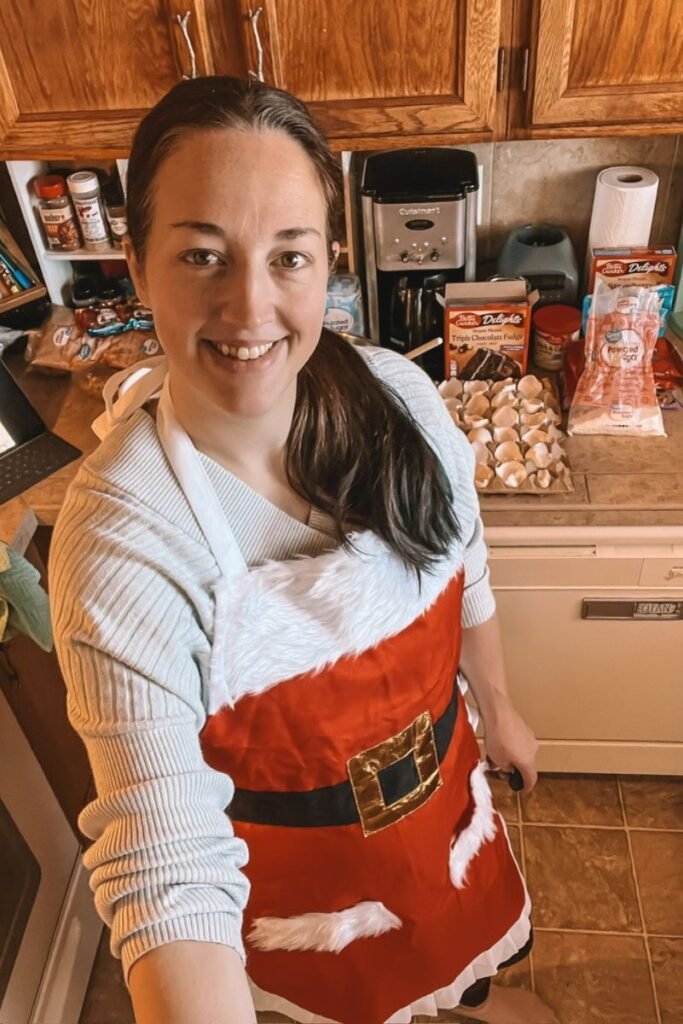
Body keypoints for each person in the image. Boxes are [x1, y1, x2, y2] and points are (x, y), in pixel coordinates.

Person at [50, 76, 558, 1024]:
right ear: (137, 266)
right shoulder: (124, 541)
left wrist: (499, 706)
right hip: (308, 894)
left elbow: (465, 565)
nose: (250, 307)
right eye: (202, 255)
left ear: (327, 263)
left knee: (454, 956)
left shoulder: (400, 398)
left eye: (287, 256)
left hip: (440, 806)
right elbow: (164, 857)